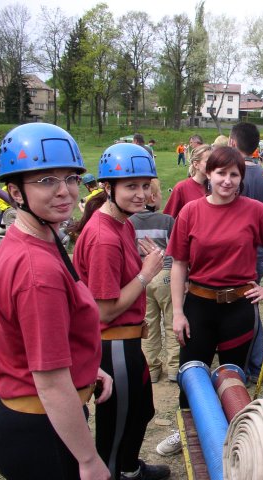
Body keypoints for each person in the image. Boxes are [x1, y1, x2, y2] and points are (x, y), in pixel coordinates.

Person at [0, 123, 113, 479]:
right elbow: (51, 383)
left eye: (70, 179)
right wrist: (89, 460)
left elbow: (35, 337)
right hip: (42, 426)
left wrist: (85, 368)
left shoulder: (29, 237)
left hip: (32, 414)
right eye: (45, 181)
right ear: (15, 192)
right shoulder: (37, 271)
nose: (65, 192)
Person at [162, 147, 263, 449]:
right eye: (221, 173)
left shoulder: (254, 211)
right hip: (198, 306)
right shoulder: (190, 211)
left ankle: (234, 438)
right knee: (192, 374)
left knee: (233, 379)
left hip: (238, 309)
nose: (227, 180)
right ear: (208, 173)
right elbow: (179, 263)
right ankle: (186, 431)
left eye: (234, 174)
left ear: (241, 178)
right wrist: (178, 312)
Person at [73, 143, 170, 480]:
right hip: (112, 344)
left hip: (127, 342)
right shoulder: (104, 237)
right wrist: (147, 272)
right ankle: (116, 471)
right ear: (107, 187)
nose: (141, 194)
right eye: (131, 186)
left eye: (145, 185)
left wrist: (143, 266)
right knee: (116, 426)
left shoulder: (123, 224)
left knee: (141, 410)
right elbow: (104, 311)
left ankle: (129, 468)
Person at [229, 122, 263, 381]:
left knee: (245, 309)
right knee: (251, 307)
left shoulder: (233, 176)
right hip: (259, 253)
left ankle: (250, 363)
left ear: (233, 144)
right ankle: (251, 362)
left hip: (239, 255)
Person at [130, 178, 177, 383]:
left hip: (142, 277)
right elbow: (176, 251)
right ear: (154, 197)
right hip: (165, 274)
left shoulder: (128, 223)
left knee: (148, 323)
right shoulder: (167, 221)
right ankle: (175, 367)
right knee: (171, 321)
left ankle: (152, 368)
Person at [163, 144, 211, 219]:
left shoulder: (216, 187)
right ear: (196, 164)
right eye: (208, 162)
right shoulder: (181, 188)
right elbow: (168, 219)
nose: (213, 165)